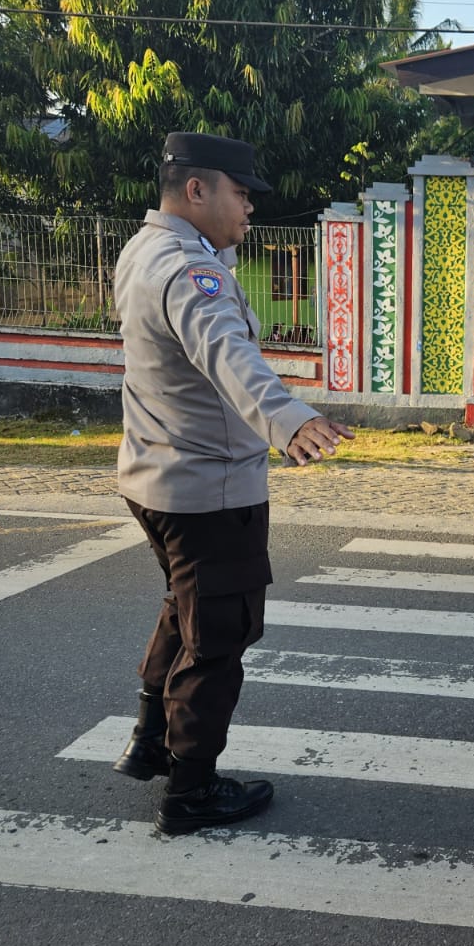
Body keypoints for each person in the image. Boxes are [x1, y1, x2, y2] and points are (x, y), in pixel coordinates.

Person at [110, 131, 356, 836]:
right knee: (217, 637)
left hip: (156, 479)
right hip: (209, 491)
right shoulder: (192, 272)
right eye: (241, 193)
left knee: (184, 608)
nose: (250, 208)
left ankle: (149, 740)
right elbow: (226, 352)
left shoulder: (142, 251)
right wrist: (288, 418)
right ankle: (190, 790)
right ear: (197, 189)